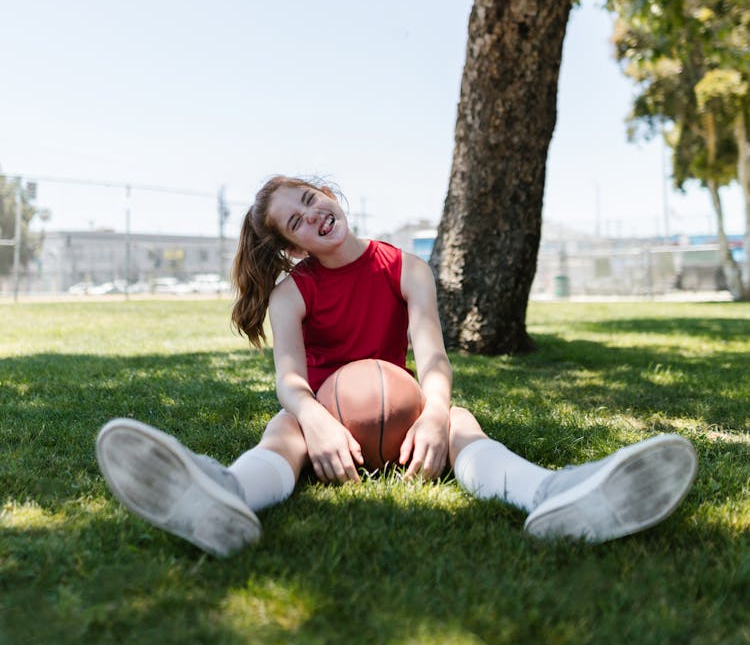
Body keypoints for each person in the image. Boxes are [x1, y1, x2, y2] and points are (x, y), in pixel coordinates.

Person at [96, 175, 698, 556]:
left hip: (405, 424)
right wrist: (318, 421)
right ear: (292, 247)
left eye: (311, 201)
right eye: (297, 223)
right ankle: (226, 495)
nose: (314, 217)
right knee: (284, 427)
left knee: (459, 417)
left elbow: (432, 355)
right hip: (327, 427)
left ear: (328, 192)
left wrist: (435, 415)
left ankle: (552, 494)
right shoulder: (291, 292)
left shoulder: (405, 267)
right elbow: (289, 380)